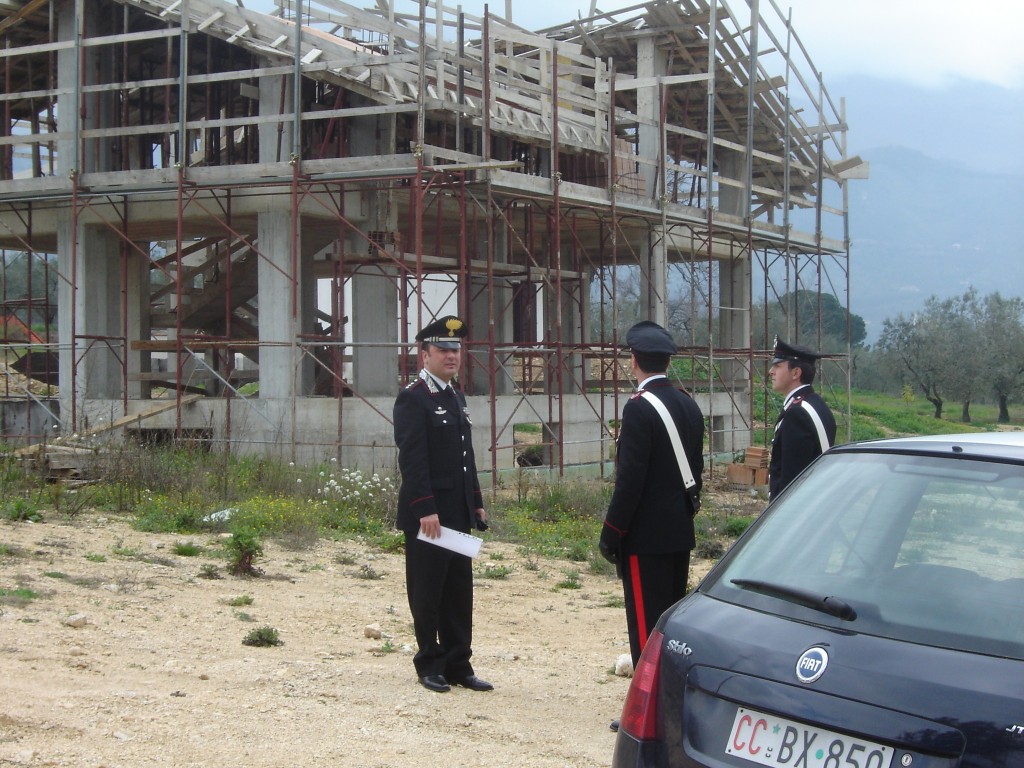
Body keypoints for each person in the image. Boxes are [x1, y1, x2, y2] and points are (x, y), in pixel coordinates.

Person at [599, 321, 704, 731]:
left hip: (644, 537)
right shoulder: (688, 404)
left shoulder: (639, 408)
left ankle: (649, 715)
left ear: (634, 361)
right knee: (670, 627)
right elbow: (695, 471)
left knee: (646, 628)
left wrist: (612, 531)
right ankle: (670, 704)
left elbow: (630, 481)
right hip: (678, 530)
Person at [393, 315, 493, 693]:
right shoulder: (414, 398)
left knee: (458, 591)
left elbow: (465, 456)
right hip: (430, 516)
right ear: (425, 354)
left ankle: (458, 664)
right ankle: (429, 663)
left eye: (456, 349)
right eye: (443, 350)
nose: (452, 356)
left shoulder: (454, 395)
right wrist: (424, 508)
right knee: (428, 591)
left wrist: (476, 501)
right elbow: (413, 460)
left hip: (457, 511)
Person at [767, 337, 837, 499]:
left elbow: (792, 481)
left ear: (796, 373)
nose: (771, 371)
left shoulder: (798, 414)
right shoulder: (815, 403)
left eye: (777, 366)